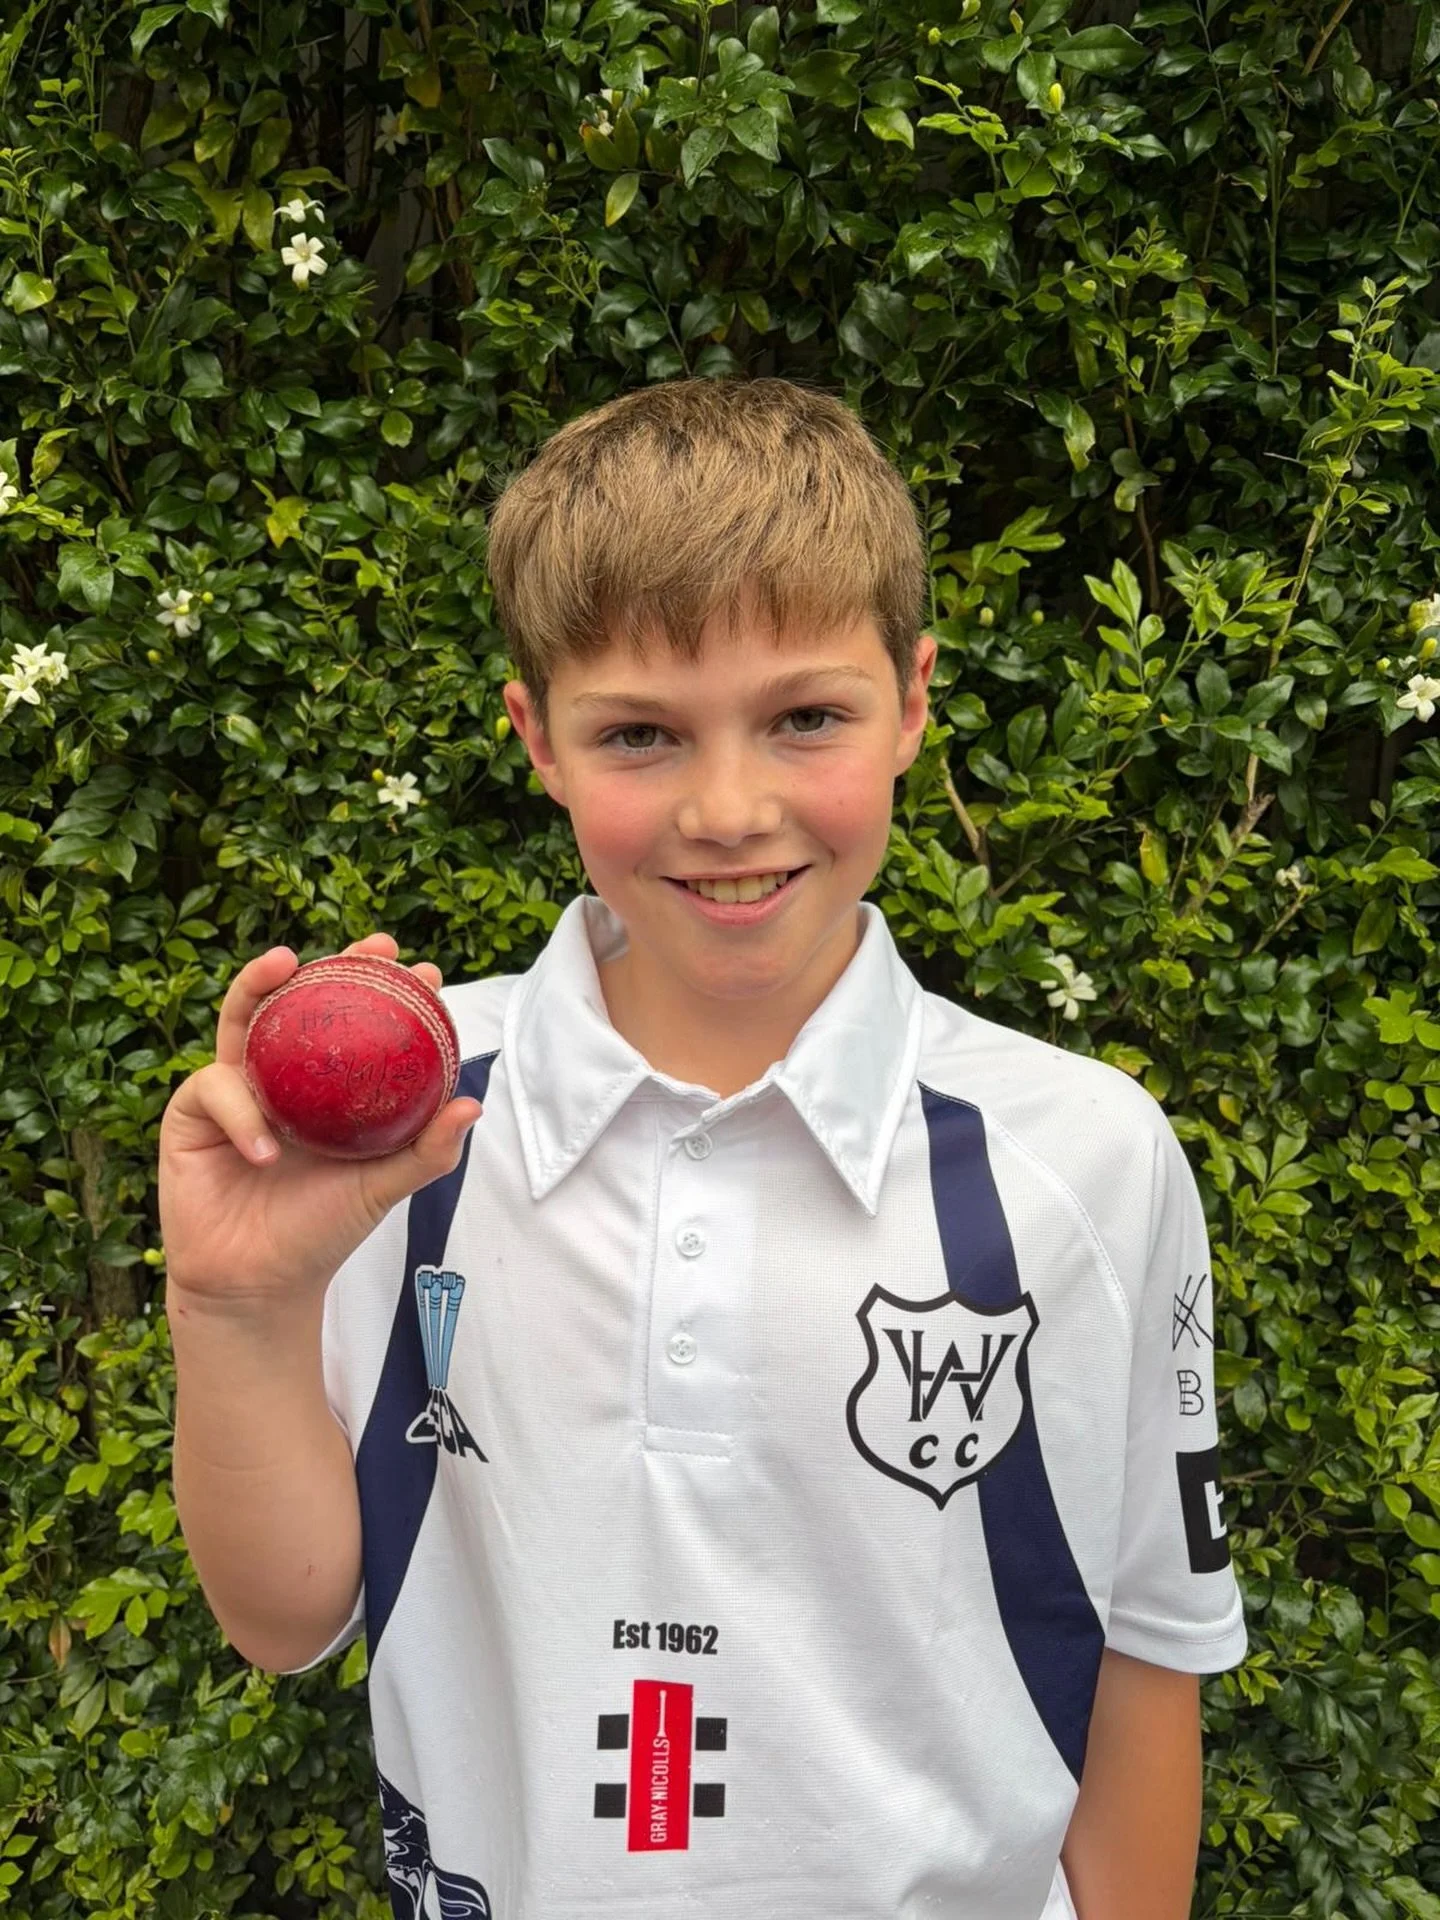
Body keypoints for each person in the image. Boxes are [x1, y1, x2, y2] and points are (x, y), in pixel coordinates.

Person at [159, 377, 1245, 1920]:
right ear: (536, 740)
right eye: (641, 736)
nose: (729, 809)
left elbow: (1147, 1652)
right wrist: (238, 1310)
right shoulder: (411, 1134)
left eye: (806, 717)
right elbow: (285, 1620)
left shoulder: (1083, 1155)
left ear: (916, 700)